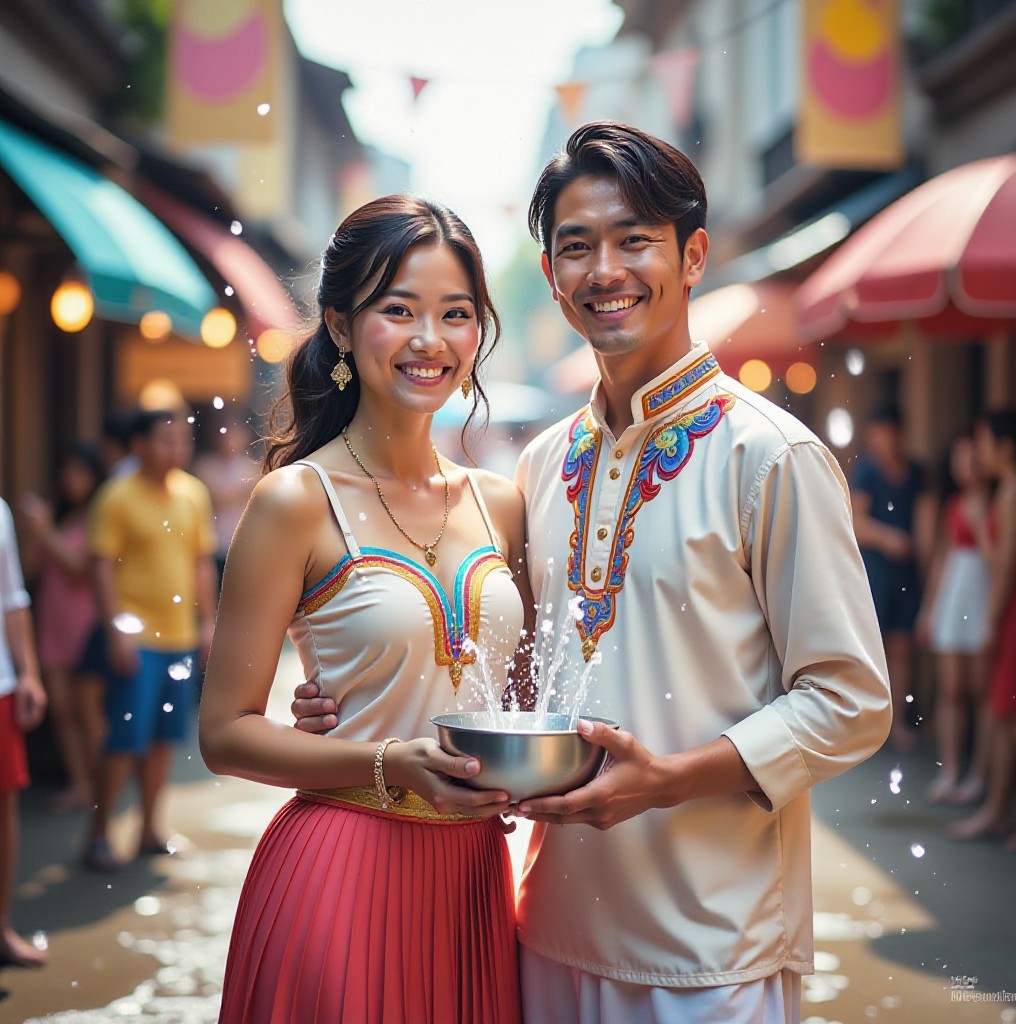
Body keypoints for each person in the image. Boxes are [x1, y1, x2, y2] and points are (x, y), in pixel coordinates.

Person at [296, 123, 892, 1023]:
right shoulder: (541, 467)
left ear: (693, 256)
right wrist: (362, 698)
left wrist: (671, 777)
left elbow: (852, 701)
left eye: (634, 240)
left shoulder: (770, 457)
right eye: (577, 246)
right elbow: (518, 673)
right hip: (541, 928)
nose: (604, 269)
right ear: (550, 277)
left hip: (710, 949)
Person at [199, 195, 530, 1023]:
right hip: (344, 871)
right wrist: (386, 761)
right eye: (399, 310)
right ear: (342, 327)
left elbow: (522, 700)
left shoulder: (503, 504)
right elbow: (225, 732)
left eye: (456, 314)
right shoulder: (294, 502)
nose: (431, 340)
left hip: (476, 884)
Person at [81, 408, 217, 871]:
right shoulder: (116, 495)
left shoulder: (192, 493)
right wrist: (115, 628)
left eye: (183, 438)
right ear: (138, 444)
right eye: (166, 438)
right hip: (135, 640)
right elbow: (100, 565)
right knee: (124, 740)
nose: (177, 447)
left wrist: (208, 623)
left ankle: (150, 829)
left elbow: (202, 562)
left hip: (178, 637)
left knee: (164, 738)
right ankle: (98, 835)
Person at [949, 409, 1016, 849]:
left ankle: (995, 811)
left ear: (1005, 446)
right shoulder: (1009, 491)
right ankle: (995, 811)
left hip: (1013, 614)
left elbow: (1004, 566)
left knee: (1010, 715)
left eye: (984, 442)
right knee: (1002, 713)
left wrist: (991, 623)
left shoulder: (1013, 493)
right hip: (1008, 611)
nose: (978, 452)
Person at [18, 444, 106, 811]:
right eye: (68, 473)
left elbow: (78, 567)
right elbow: (30, 569)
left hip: (86, 623)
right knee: (62, 711)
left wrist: (44, 530)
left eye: (80, 473)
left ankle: (102, 788)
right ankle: (80, 785)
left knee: (89, 713)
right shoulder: (57, 517)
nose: (73, 481)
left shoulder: (99, 517)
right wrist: (36, 532)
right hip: (53, 622)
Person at [916, 433, 991, 805]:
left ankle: (980, 774)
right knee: (952, 691)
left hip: (984, 595)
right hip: (954, 595)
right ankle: (951, 770)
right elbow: (942, 559)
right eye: (958, 459)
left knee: (983, 693)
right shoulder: (954, 504)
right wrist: (929, 608)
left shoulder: (996, 502)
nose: (963, 466)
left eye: (970, 458)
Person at [850, 406, 928, 750]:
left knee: (901, 648)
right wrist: (889, 539)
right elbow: (855, 523)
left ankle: (897, 724)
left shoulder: (917, 472)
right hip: (874, 571)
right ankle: (868, 727)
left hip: (907, 572)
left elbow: (927, 522)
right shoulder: (866, 472)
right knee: (872, 650)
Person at [0, 496, 48, 967]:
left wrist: (29, 674)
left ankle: (1, 929)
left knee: (4, 805)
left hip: (1, 686)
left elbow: (12, 599)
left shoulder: (0, 511)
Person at [192, 419, 259, 590]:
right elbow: (212, 496)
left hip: (242, 542)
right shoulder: (207, 466)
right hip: (215, 540)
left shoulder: (251, 468)